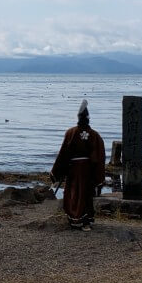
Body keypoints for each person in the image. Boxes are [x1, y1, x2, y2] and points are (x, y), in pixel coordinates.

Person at [51, 99, 106, 231]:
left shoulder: (71, 132)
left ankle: (76, 219)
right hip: (87, 169)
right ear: (88, 118)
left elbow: (63, 153)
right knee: (86, 194)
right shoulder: (94, 135)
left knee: (74, 193)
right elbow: (99, 156)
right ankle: (85, 221)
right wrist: (98, 174)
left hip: (74, 169)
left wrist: (58, 171)